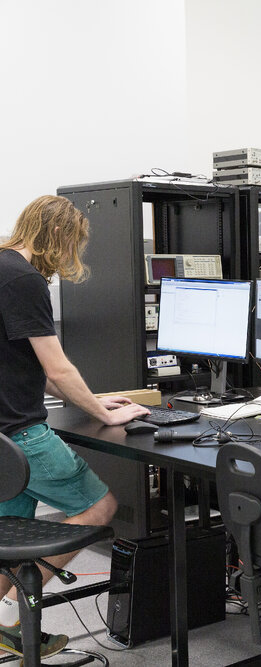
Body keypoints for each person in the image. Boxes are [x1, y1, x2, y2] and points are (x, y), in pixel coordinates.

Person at [0, 195, 150, 659]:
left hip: (2, 441)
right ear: (60, 236)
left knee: (8, 532)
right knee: (102, 506)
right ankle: (11, 617)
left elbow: (34, 366)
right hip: (23, 435)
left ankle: (3, 622)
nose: (72, 258)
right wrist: (106, 414)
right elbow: (59, 369)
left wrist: (91, 399)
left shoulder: (2, 266)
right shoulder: (24, 280)